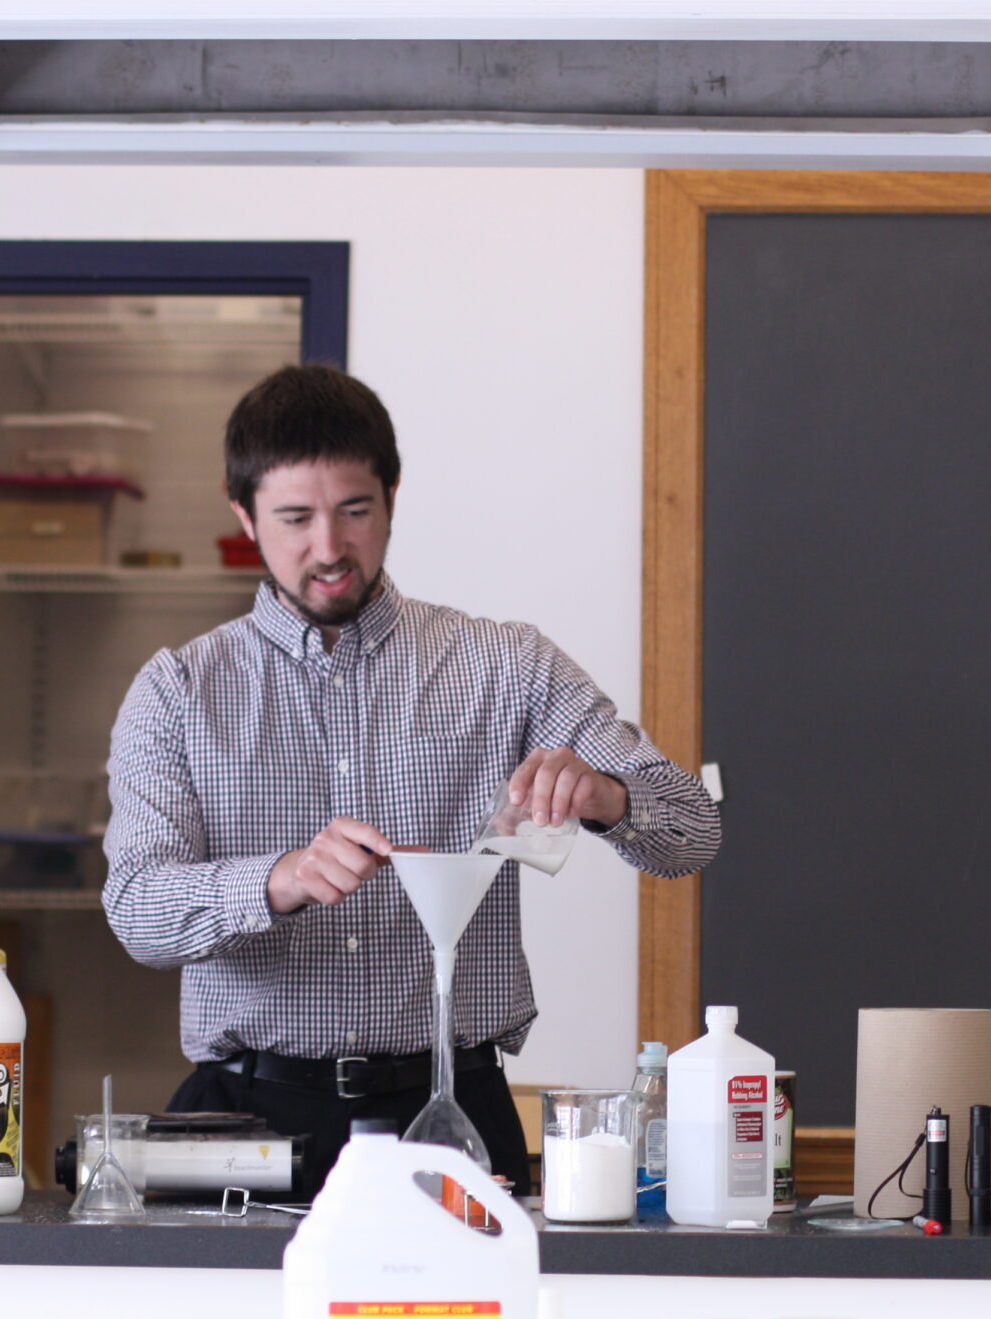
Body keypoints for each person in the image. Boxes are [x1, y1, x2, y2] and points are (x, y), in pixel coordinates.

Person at [101, 364, 720, 1194]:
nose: (329, 548)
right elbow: (136, 909)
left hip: (457, 1110)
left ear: (392, 496)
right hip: (250, 1126)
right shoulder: (178, 690)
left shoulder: (506, 666)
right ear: (242, 513)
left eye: (355, 510)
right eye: (295, 518)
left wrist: (608, 796)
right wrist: (280, 878)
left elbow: (694, 832)